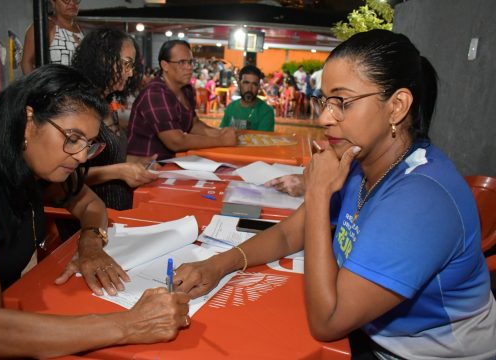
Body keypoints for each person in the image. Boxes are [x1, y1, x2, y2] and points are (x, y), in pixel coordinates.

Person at [174, 30, 496, 359]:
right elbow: (288, 233)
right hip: (372, 335)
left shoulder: (421, 199)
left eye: (342, 102)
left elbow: (328, 321)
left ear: (396, 106)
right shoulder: (361, 163)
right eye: (325, 101)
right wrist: (218, 264)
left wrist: (316, 193)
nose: (324, 118)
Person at [0, 64, 190, 357]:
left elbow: (91, 204)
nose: (79, 156)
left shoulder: (28, 170)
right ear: (28, 122)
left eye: (88, 144)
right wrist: (131, 324)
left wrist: (90, 241)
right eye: (72, 138)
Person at [49, 28, 157, 241]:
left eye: (132, 66)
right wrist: (119, 171)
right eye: (126, 64)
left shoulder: (108, 101)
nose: (130, 73)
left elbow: (108, 155)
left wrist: (136, 163)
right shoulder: (77, 105)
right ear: (103, 59)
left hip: (116, 215)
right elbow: (65, 178)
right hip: (86, 223)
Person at [126, 40, 237, 161]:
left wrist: (219, 133)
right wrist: (220, 140)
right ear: (165, 65)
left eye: (190, 62)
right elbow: (176, 141)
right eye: (182, 62)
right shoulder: (155, 93)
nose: (189, 67)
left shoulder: (186, 90)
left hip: (175, 161)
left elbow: (193, 124)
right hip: (147, 167)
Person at [21, 0, 83, 75]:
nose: (72, 3)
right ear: (53, 2)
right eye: (66, 0)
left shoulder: (80, 29)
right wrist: (39, 86)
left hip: (80, 85)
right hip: (55, 85)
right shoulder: (45, 27)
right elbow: (26, 62)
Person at [219, 65, 275, 131]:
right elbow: (221, 134)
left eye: (254, 84)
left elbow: (262, 139)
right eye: (246, 83)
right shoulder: (231, 107)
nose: (249, 88)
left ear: (259, 87)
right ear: (239, 84)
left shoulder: (266, 112)